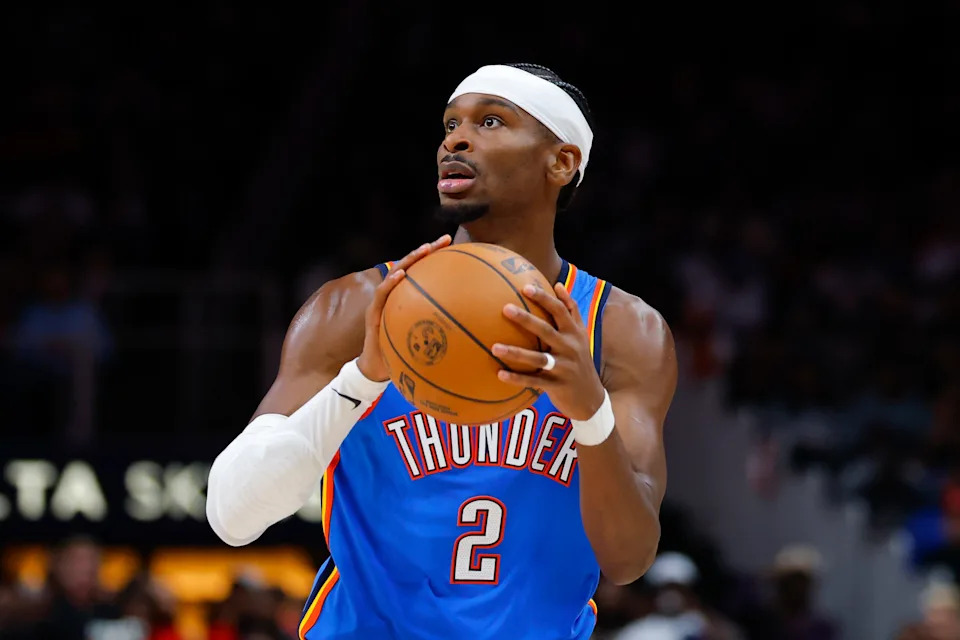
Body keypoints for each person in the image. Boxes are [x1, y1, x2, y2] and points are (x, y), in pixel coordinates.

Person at [206, 62, 677, 639]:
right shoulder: (355, 308)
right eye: (450, 124)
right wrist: (363, 378)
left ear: (562, 161)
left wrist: (589, 411)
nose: (455, 138)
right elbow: (233, 516)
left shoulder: (624, 332)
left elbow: (628, 558)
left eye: (492, 121)